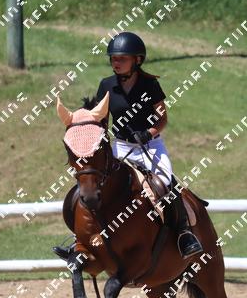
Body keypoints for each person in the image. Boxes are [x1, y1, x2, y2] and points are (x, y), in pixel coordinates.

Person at [55, 31, 203, 260]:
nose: (116, 62)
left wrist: (149, 133)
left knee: (165, 183)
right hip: (121, 147)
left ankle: (184, 234)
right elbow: (99, 120)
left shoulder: (150, 84)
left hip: (151, 146)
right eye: (113, 58)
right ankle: (80, 241)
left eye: (122, 58)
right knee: (96, 186)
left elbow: (162, 118)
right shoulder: (106, 85)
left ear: (137, 60)